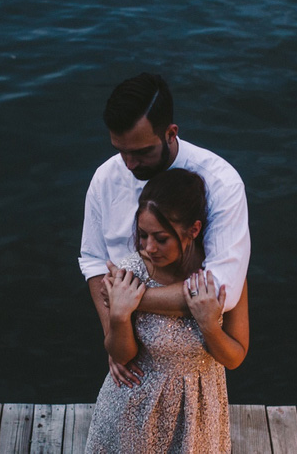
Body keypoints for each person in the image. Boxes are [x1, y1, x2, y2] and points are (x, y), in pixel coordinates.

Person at [79, 72, 251, 386]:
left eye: (142, 152)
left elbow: (221, 292)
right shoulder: (105, 179)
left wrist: (129, 299)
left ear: (171, 133)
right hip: (130, 361)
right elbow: (93, 259)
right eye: (121, 150)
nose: (129, 164)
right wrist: (113, 336)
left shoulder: (222, 184)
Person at [84, 169, 249, 452]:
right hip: (133, 414)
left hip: (198, 417)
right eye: (143, 235)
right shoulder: (131, 272)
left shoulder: (223, 278)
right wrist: (120, 315)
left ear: (193, 230)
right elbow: (122, 355)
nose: (149, 248)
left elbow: (234, 358)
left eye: (161, 238)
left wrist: (210, 326)